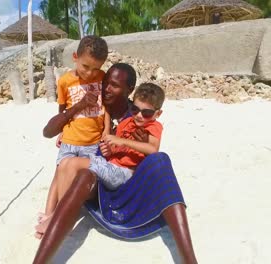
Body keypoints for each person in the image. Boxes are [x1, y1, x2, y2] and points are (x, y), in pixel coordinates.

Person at [35, 63, 198, 264]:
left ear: (129, 90)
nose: (106, 89)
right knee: (74, 165)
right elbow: (51, 139)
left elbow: (148, 152)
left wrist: (134, 143)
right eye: (105, 84)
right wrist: (70, 126)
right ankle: (47, 243)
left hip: (123, 180)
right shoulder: (93, 109)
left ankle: (190, 259)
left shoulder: (138, 117)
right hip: (96, 182)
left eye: (114, 85)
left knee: (160, 160)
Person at [37, 35, 110, 237]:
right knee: (59, 174)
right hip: (69, 140)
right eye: (85, 66)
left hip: (91, 142)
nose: (90, 73)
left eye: (95, 68)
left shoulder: (103, 78)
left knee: (76, 180)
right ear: (75, 57)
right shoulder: (64, 82)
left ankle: (57, 216)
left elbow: (107, 108)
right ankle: (50, 214)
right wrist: (61, 131)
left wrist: (106, 131)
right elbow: (62, 112)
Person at [89, 82, 166, 190]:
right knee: (68, 163)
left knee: (79, 165)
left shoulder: (153, 126)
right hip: (112, 166)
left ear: (158, 114)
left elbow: (153, 149)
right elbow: (117, 149)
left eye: (146, 113)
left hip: (127, 173)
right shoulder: (126, 123)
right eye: (135, 109)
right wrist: (109, 150)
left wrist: (123, 141)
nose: (139, 116)